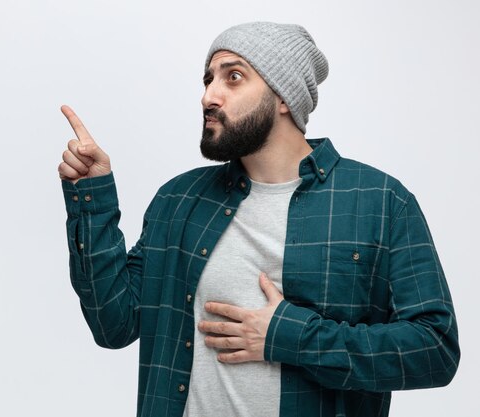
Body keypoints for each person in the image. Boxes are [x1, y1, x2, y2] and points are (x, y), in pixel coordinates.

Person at [58, 22, 460, 417]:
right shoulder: (178, 200)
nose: (209, 96)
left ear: (283, 97)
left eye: (233, 77)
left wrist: (292, 337)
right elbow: (115, 324)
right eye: (207, 79)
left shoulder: (380, 202)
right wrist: (91, 197)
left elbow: (435, 349)